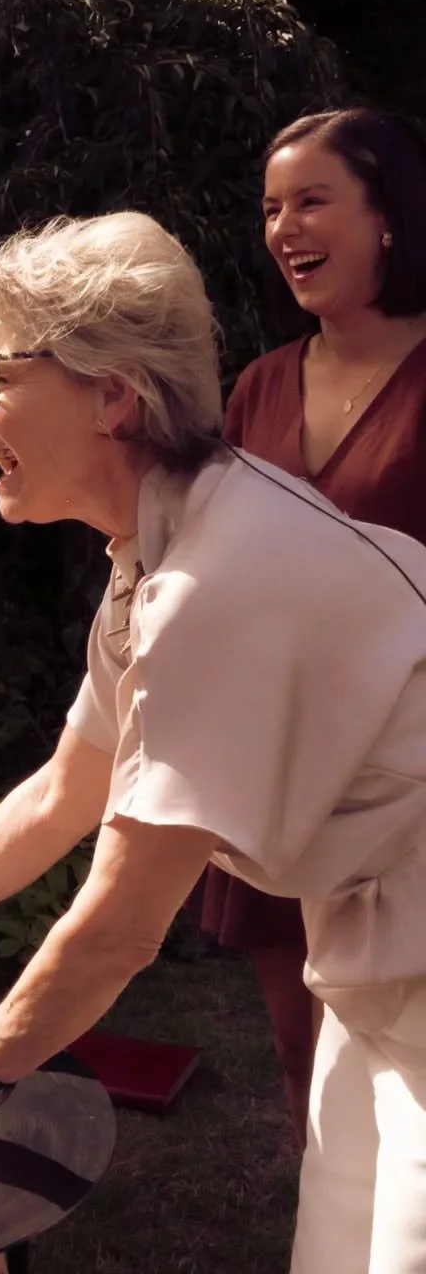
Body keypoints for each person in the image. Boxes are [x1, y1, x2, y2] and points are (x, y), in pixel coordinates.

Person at [0, 212, 426, 1274]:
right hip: (380, 973)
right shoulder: (173, 543)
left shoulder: (212, 584)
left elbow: (124, 919)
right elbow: (71, 785)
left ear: (112, 395)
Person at [197, 107, 426, 1147]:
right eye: (271, 209)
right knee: (306, 1051)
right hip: (281, 773)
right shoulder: (258, 387)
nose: (285, 227)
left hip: (410, 778)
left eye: (313, 200)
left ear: (387, 216)